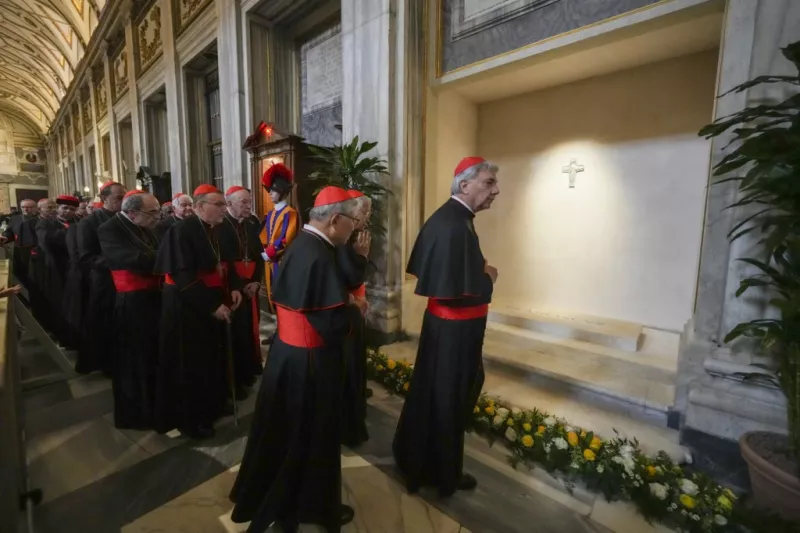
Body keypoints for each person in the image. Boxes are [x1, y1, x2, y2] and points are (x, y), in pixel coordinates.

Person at [229, 186, 365, 533]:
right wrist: (356, 310)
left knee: (288, 435)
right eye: (352, 222)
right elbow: (332, 324)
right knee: (310, 438)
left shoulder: (304, 244)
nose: (355, 228)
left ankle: (305, 502)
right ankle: (306, 507)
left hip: (288, 357)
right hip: (310, 362)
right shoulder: (317, 253)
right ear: (335, 220)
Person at [393, 156, 500, 498]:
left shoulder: (454, 218)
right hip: (454, 334)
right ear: (464, 184)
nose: (495, 190)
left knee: (435, 397)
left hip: (446, 330)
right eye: (488, 182)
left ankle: (426, 464)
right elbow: (463, 290)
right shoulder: (454, 225)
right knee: (447, 402)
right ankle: (441, 474)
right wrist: (488, 278)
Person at [153, 184, 243, 440]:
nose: (224, 209)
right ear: (200, 207)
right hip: (186, 305)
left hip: (209, 300)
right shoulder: (181, 230)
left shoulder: (217, 229)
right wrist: (212, 306)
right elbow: (183, 276)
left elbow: (226, 263)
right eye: (219, 205)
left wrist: (235, 287)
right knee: (191, 363)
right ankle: (192, 419)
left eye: (225, 205)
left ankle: (212, 404)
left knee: (212, 357)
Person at [98, 191, 162, 429]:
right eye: (152, 212)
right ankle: (137, 414)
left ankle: (154, 406)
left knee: (152, 355)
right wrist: (161, 257)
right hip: (132, 303)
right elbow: (130, 260)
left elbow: (151, 255)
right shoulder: (109, 229)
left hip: (154, 299)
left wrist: (156, 257)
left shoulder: (146, 226)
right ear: (133, 213)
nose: (158, 217)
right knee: (134, 359)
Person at [218, 186, 264, 396]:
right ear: (229, 204)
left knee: (249, 330)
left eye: (249, 201)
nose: (249, 206)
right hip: (231, 287)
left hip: (250, 287)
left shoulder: (252, 223)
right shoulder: (220, 226)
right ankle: (234, 380)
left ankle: (248, 371)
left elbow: (259, 256)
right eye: (244, 202)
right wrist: (238, 285)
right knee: (235, 333)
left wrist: (257, 282)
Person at [77, 181, 126, 374]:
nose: (123, 201)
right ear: (104, 198)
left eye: (124, 197)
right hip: (104, 281)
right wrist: (119, 262)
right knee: (104, 323)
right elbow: (86, 257)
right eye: (118, 198)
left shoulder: (124, 218)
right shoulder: (88, 223)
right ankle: (106, 363)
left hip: (126, 280)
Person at [338, 189, 372, 447]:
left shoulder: (354, 236)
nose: (366, 217)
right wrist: (361, 257)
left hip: (354, 305)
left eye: (368, 212)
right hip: (345, 310)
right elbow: (349, 277)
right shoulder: (342, 240)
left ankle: (358, 397)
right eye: (362, 211)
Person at [35, 195, 79, 348]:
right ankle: (63, 337)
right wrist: (71, 234)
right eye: (64, 208)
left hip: (75, 270)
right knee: (60, 305)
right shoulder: (46, 223)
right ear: (58, 208)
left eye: (72, 209)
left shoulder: (79, 223)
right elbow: (46, 241)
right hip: (56, 269)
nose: (67, 211)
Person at [260, 163, 299, 313]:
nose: (270, 193)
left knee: (282, 293)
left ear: (282, 191)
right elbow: (265, 236)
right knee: (271, 292)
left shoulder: (290, 213)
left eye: (273, 190)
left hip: (280, 260)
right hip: (269, 259)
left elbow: (287, 239)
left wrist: (269, 252)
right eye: (269, 190)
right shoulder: (270, 214)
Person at [27, 199, 54, 330]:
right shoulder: (31, 223)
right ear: (39, 209)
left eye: (53, 206)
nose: (52, 209)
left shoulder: (56, 221)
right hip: (39, 264)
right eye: (48, 207)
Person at [1, 199, 39, 288]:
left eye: (29, 207)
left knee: (35, 277)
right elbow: (10, 232)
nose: (26, 209)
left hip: (35, 251)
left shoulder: (40, 219)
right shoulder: (15, 218)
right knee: (20, 275)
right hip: (19, 251)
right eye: (23, 207)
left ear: (36, 208)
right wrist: (5, 237)